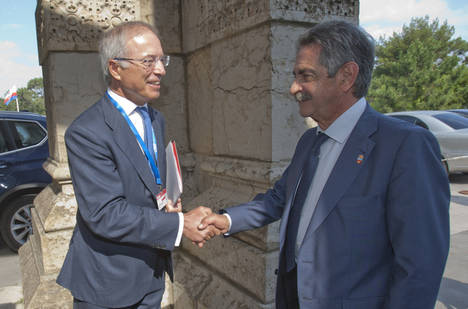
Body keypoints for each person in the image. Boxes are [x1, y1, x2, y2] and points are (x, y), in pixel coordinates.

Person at [200, 20, 450, 309]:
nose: (294, 87)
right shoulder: (309, 141)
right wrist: (226, 220)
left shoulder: (406, 146)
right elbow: (280, 199)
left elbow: (421, 266)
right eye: (295, 76)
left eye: (306, 76)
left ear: (346, 76)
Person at [57, 21, 217, 309]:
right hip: (108, 283)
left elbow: (146, 181)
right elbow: (105, 214)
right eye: (148, 61)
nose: (161, 70)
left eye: (161, 59)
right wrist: (179, 224)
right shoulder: (86, 131)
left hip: (151, 273)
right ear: (115, 68)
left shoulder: (156, 119)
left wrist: (167, 202)